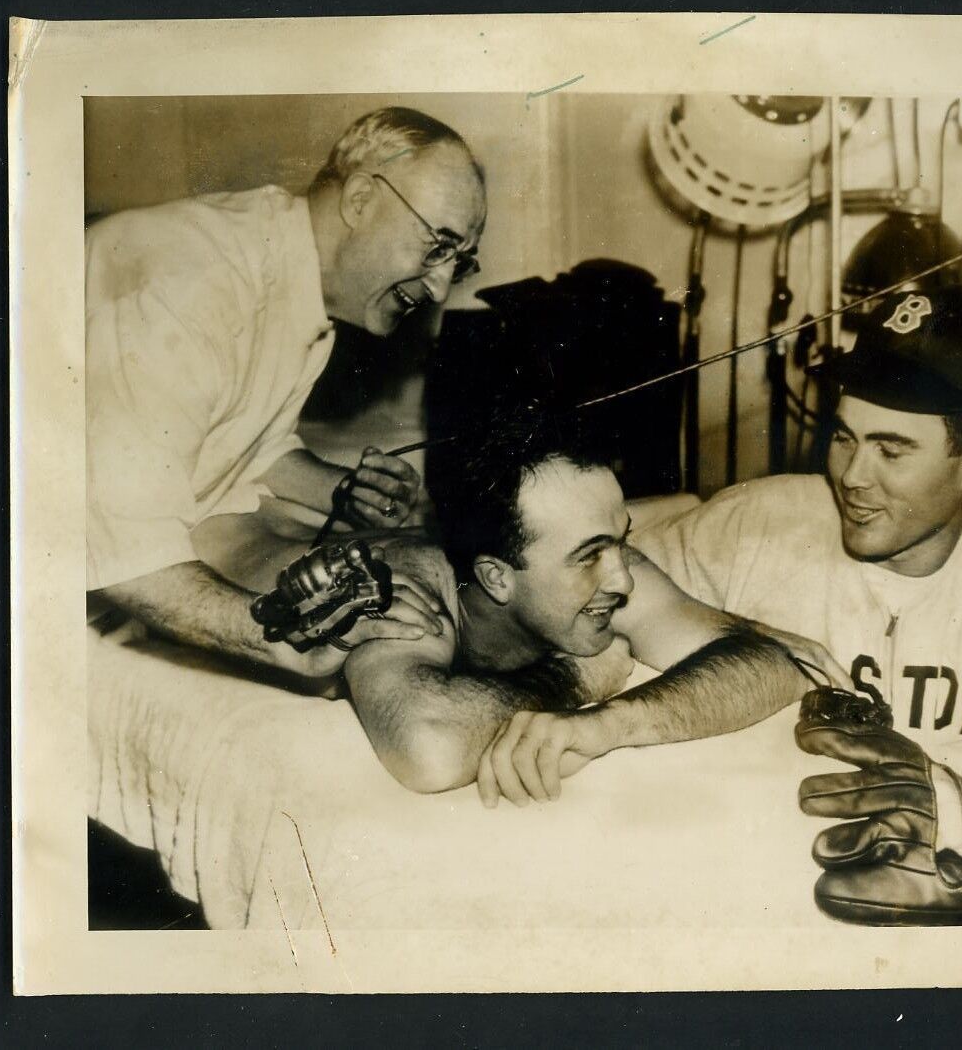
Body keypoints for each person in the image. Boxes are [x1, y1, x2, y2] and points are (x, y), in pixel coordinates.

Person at [634, 287, 962, 916]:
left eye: (891, 450)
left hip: (923, 929)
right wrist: (739, 629)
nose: (853, 475)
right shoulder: (758, 523)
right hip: (736, 891)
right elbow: (588, 576)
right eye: (844, 438)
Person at [201, 405, 848, 802]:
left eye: (618, 541)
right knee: (236, 514)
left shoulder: (605, 573)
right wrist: (576, 677)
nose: (622, 577)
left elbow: (782, 663)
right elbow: (427, 748)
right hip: (227, 531)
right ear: (496, 577)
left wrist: (611, 722)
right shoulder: (404, 592)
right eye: (589, 553)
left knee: (677, 514)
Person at [86, 107, 487, 677]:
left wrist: (340, 490)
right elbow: (127, 553)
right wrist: (290, 638)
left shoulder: (294, 277)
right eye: (437, 245)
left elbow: (243, 445)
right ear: (360, 200)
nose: (441, 285)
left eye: (460, 261)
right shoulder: (194, 288)